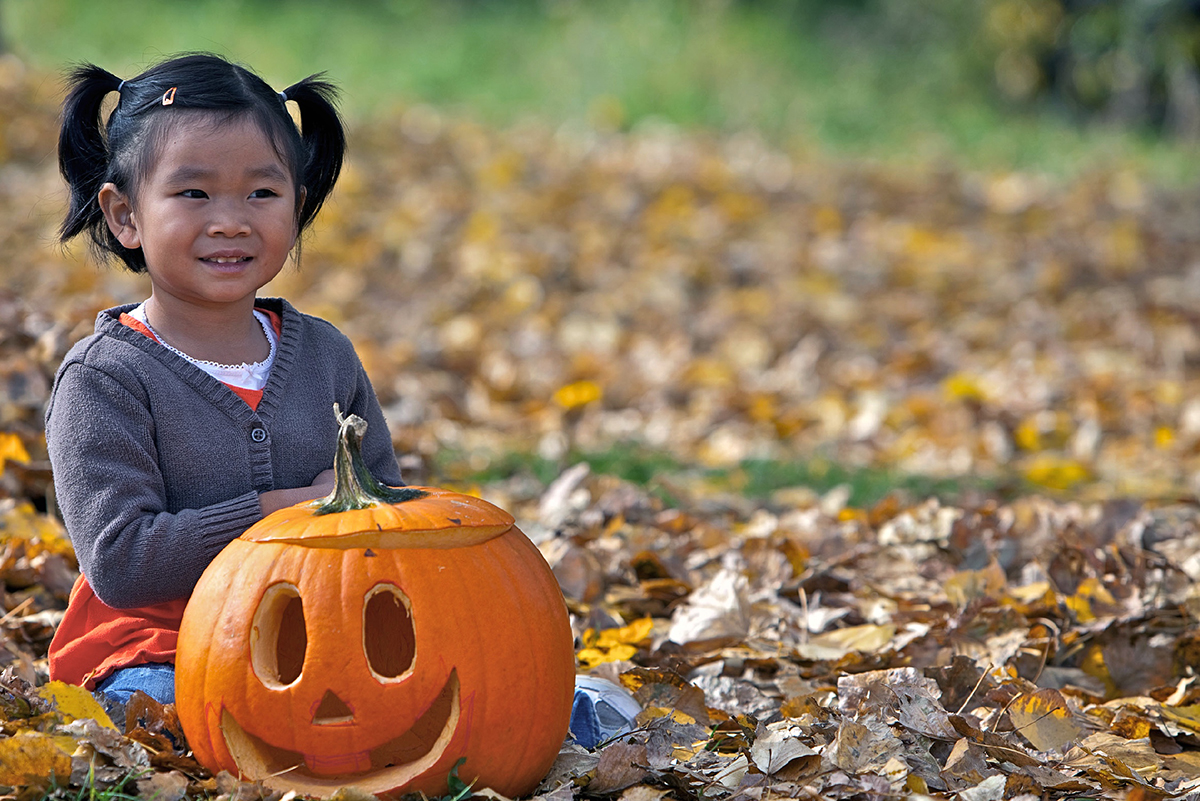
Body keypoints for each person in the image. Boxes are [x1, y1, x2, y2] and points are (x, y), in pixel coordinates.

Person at [47, 51, 634, 748]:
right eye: (194, 194)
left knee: (483, 699)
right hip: (157, 647)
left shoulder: (323, 356)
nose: (231, 220)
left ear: (296, 205)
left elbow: (386, 512)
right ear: (124, 216)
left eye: (261, 194)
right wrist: (281, 510)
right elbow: (120, 560)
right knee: (179, 714)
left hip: (330, 639)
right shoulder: (106, 379)